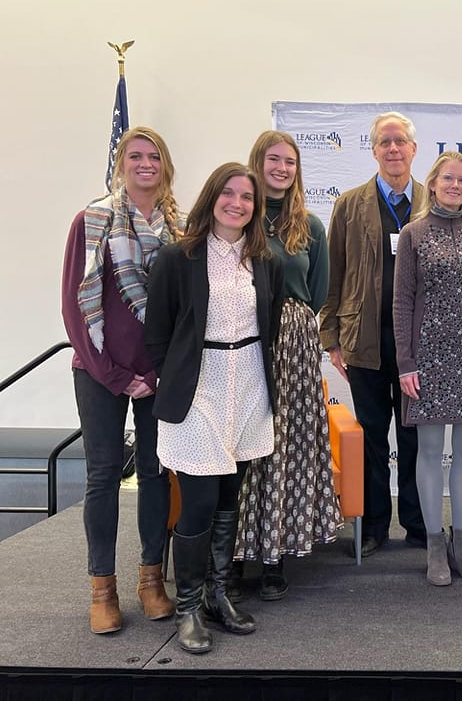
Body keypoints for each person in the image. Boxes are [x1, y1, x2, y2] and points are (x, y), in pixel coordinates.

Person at [144, 162, 283, 654]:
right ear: (212, 198)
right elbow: (156, 334)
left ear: (255, 207)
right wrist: (177, 377)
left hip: (247, 384)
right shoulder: (177, 258)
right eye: (229, 194)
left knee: (230, 498)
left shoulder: (265, 261)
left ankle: (218, 594)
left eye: (247, 197)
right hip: (198, 389)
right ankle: (187, 607)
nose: (238, 204)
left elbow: (273, 323)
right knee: (199, 502)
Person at [61, 126, 180, 634]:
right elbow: (74, 304)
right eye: (136, 155)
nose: (145, 163)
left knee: (155, 475)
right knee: (103, 476)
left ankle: (151, 580)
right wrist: (113, 373)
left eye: (154, 156)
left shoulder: (179, 229)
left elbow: (184, 308)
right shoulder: (91, 221)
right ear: (122, 162)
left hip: (158, 374)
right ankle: (102, 588)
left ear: (165, 165)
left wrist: (155, 374)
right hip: (99, 371)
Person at [232, 131, 342, 601]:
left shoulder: (310, 226)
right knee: (243, 448)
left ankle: (275, 557)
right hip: (241, 341)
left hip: (294, 345)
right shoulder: (237, 218)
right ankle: (236, 557)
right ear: (258, 163)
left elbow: (319, 291)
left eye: (290, 162)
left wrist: (290, 324)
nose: (281, 168)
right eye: (273, 160)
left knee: (285, 449)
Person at [393, 152, 462, 586]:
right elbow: (401, 302)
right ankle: (434, 546)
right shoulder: (413, 234)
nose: (455, 185)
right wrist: (406, 362)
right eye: (448, 179)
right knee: (428, 451)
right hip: (427, 357)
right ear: (434, 183)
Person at [318, 112, 427, 557]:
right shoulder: (348, 205)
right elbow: (333, 273)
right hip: (363, 341)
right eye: (385, 142)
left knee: (417, 438)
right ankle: (376, 524)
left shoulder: (432, 201)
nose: (393, 149)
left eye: (400, 141)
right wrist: (331, 337)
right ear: (374, 150)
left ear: (414, 149)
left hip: (418, 348)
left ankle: (419, 525)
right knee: (372, 438)